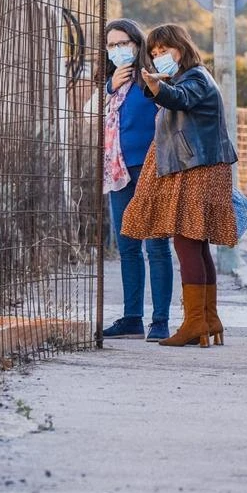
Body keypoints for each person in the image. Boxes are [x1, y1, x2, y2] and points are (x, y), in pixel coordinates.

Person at [121, 24, 238, 348]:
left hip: (197, 169)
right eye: (155, 54)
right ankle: (207, 319)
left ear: (182, 48)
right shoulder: (189, 78)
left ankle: (195, 323)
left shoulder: (195, 78)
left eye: (165, 51)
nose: (160, 58)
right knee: (196, 245)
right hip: (198, 167)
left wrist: (156, 87)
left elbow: (179, 99)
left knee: (186, 244)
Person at [101, 19, 175, 342]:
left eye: (123, 43)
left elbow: (171, 107)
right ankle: (132, 317)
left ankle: (160, 319)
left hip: (151, 171)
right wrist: (109, 87)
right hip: (118, 175)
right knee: (127, 246)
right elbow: (95, 114)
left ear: (137, 42)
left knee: (156, 246)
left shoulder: (151, 78)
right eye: (111, 45)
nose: (118, 50)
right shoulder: (112, 84)